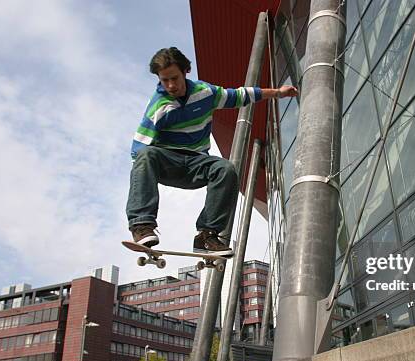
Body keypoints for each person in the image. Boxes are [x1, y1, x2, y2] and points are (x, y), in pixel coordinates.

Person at [126, 47, 297, 254]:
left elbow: (240, 95)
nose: (170, 86)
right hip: (168, 164)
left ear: (186, 71)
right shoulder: (159, 106)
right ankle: (142, 225)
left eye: (174, 78)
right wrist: (143, 184)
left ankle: (207, 235)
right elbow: (139, 148)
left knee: (225, 168)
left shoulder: (205, 93)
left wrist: (277, 93)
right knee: (145, 156)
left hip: (196, 164)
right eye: (164, 80)